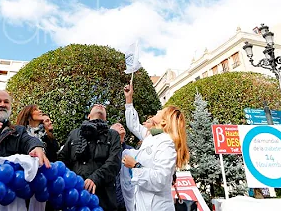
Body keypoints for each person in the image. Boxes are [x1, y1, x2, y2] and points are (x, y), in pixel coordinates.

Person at [122, 80, 190, 211]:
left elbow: (160, 179)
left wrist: (135, 166)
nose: (157, 110)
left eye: (161, 111)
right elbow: (133, 125)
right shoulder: (153, 136)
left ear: (164, 121)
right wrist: (129, 98)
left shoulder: (166, 143)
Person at [59, 104, 122, 210]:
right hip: (75, 198)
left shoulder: (113, 135)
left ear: (106, 118)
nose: (100, 105)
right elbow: (62, 160)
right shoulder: (74, 134)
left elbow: (114, 162)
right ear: (88, 116)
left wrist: (95, 178)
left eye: (103, 107)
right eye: (95, 105)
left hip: (103, 199)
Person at [111, 123, 134, 211]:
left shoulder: (131, 151)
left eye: (122, 125)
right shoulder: (106, 150)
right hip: (112, 199)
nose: (121, 126)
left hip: (128, 200)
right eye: (117, 125)